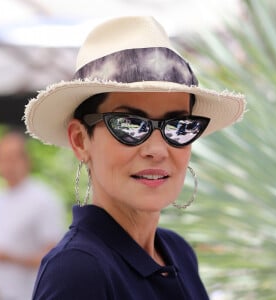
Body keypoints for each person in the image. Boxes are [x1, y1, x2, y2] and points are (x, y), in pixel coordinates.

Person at [24, 16, 246, 299]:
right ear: (80, 140)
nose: (157, 149)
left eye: (178, 127)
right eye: (130, 125)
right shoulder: (78, 269)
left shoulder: (177, 252)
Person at [0, 130, 65, 300]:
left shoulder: (44, 199)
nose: (8, 165)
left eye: (13, 158)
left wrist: (12, 258)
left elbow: (55, 257)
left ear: (26, 160)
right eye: (2, 159)